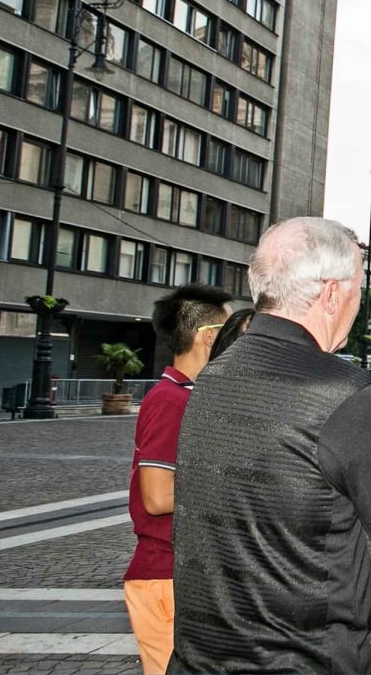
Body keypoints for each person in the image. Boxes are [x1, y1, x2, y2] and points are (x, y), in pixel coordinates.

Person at [169, 218, 371, 674]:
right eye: (358, 288)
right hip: (305, 659)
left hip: (201, 659)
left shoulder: (212, 377)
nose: (358, 302)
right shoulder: (346, 393)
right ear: (332, 293)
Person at [123, 284, 232, 675]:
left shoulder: (191, 397)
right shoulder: (170, 401)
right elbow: (156, 495)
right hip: (166, 575)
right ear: (209, 337)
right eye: (232, 330)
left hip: (186, 573)